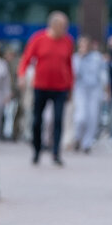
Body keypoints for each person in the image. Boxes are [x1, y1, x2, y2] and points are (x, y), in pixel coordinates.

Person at [18, 11, 74, 165]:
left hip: (60, 87)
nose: (65, 29)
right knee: (37, 120)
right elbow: (26, 59)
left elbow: (69, 66)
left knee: (58, 120)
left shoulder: (67, 41)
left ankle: (56, 153)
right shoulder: (38, 39)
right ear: (53, 25)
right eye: (62, 26)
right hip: (41, 86)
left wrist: (70, 87)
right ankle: (37, 150)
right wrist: (22, 75)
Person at [71, 36, 107, 153]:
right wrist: (81, 59)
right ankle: (77, 137)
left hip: (94, 90)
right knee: (81, 117)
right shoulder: (75, 58)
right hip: (80, 89)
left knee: (93, 117)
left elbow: (103, 75)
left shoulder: (97, 57)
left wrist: (106, 90)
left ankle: (87, 143)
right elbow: (74, 74)